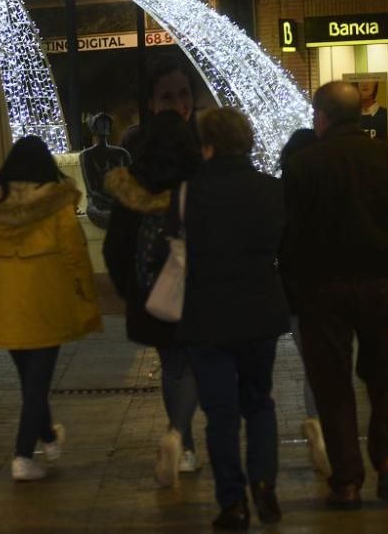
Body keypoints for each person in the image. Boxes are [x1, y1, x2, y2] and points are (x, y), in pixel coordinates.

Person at [281, 81, 388, 510]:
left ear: (321, 117)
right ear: (360, 115)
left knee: (333, 385)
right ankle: (387, 460)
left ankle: (346, 481)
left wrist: (291, 291)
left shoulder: (303, 166)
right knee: (386, 375)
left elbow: (289, 239)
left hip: (321, 291)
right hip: (382, 284)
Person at [178, 108, 290, 529]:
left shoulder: (189, 193)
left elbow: (170, 252)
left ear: (207, 144)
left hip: (206, 315)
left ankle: (233, 502)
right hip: (260, 311)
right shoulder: (271, 190)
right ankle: (264, 483)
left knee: (221, 412)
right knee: (259, 402)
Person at [0, 135, 102, 482]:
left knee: (31, 381)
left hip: (4, 305)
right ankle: (23, 455)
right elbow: (75, 254)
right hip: (47, 301)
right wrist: (87, 296)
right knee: (36, 384)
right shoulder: (56, 203)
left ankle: (48, 437)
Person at [103, 110, 202, 488]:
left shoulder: (132, 186)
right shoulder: (200, 181)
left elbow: (115, 247)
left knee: (169, 365)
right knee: (190, 364)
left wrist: (129, 291)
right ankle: (181, 437)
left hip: (150, 293)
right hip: (195, 291)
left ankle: (186, 445)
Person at [278, 129, 331, 476]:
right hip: (331, 291)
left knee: (314, 362)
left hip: (294, 294)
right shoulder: (330, 192)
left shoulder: (280, 194)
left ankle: (318, 425)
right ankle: (321, 426)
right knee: (326, 364)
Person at [120, 56, 195, 152]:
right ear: (150, 103)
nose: (179, 105)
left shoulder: (205, 137)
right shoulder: (136, 140)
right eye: (167, 97)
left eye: (184, 93)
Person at [79, 112, 131, 229]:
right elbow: (92, 190)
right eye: (100, 123)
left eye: (105, 123)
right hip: (99, 204)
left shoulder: (121, 154)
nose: (103, 126)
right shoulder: (87, 155)